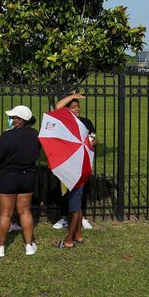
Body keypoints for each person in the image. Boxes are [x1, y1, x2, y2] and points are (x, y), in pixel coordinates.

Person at [0, 105, 40, 257]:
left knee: (5, 214)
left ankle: (1, 247)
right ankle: (29, 246)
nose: (11, 120)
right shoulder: (36, 135)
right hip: (27, 177)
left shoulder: (7, 135)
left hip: (7, 177)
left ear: (21, 120)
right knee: (25, 211)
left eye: (13, 118)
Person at [52, 92, 97, 248]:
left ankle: (69, 240)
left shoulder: (86, 122)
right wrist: (72, 96)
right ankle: (77, 234)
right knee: (71, 198)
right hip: (67, 164)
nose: (77, 109)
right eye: (73, 107)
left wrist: (89, 141)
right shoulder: (64, 121)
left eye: (78, 106)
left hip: (80, 165)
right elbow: (57, 107)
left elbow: (95, 138)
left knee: (75, 205)